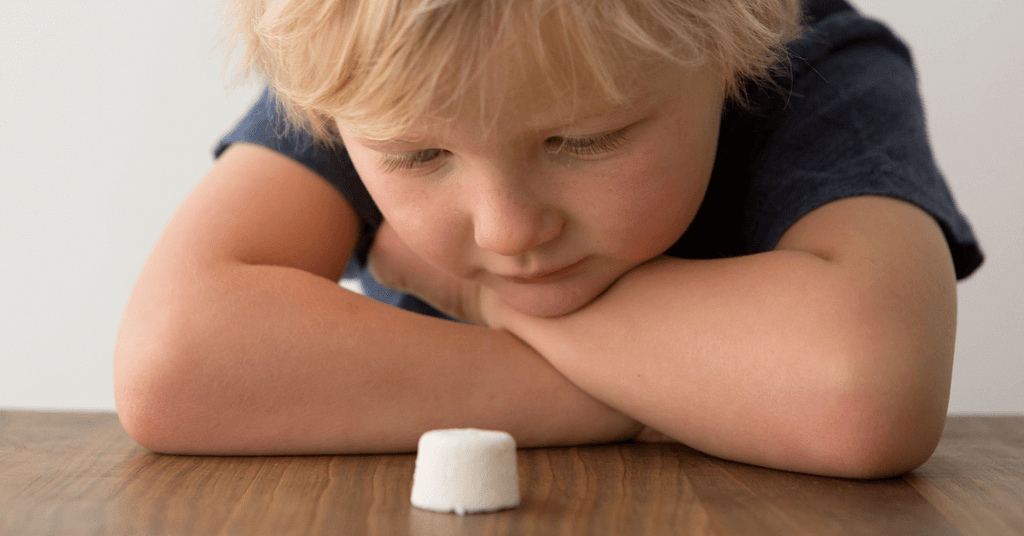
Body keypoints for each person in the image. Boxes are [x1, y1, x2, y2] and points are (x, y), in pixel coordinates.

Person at [113, 0, 983, 479]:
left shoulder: (808, 64)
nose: (507, 230)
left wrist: (478, 298)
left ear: (733, 50)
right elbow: (172, 361)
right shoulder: (366, 62)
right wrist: (692, 393)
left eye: (583, 140)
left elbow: (865, 393)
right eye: (418, 157)